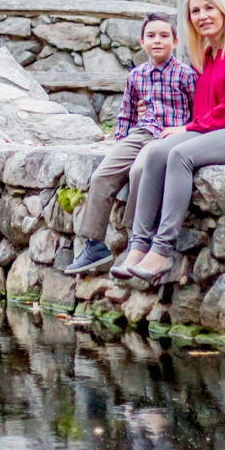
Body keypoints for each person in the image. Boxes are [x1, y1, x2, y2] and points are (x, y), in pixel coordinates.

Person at [114, 0, 225, 282]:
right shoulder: (209, 54)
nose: (202, 16)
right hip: (219, 131)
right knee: (158, 152)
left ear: (223, 10)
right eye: (195, 11)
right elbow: (202, 108)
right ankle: (137, 245)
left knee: (180, 153)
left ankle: (161, 251)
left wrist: (186, 129)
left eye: (208, 8)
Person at [63, 15, 195, 275]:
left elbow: (197, 112)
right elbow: (126, 114)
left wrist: (185, 131)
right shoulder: (137, 75)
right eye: (152, 36)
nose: (158, 41)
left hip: (168, 137)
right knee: (102, 175)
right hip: (141, 133)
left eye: (164, 36)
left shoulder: (186, 75)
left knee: (139, 172)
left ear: (175, 41)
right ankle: (94, 246)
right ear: (142, 42)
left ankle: (136, 240)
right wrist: (120, 144)